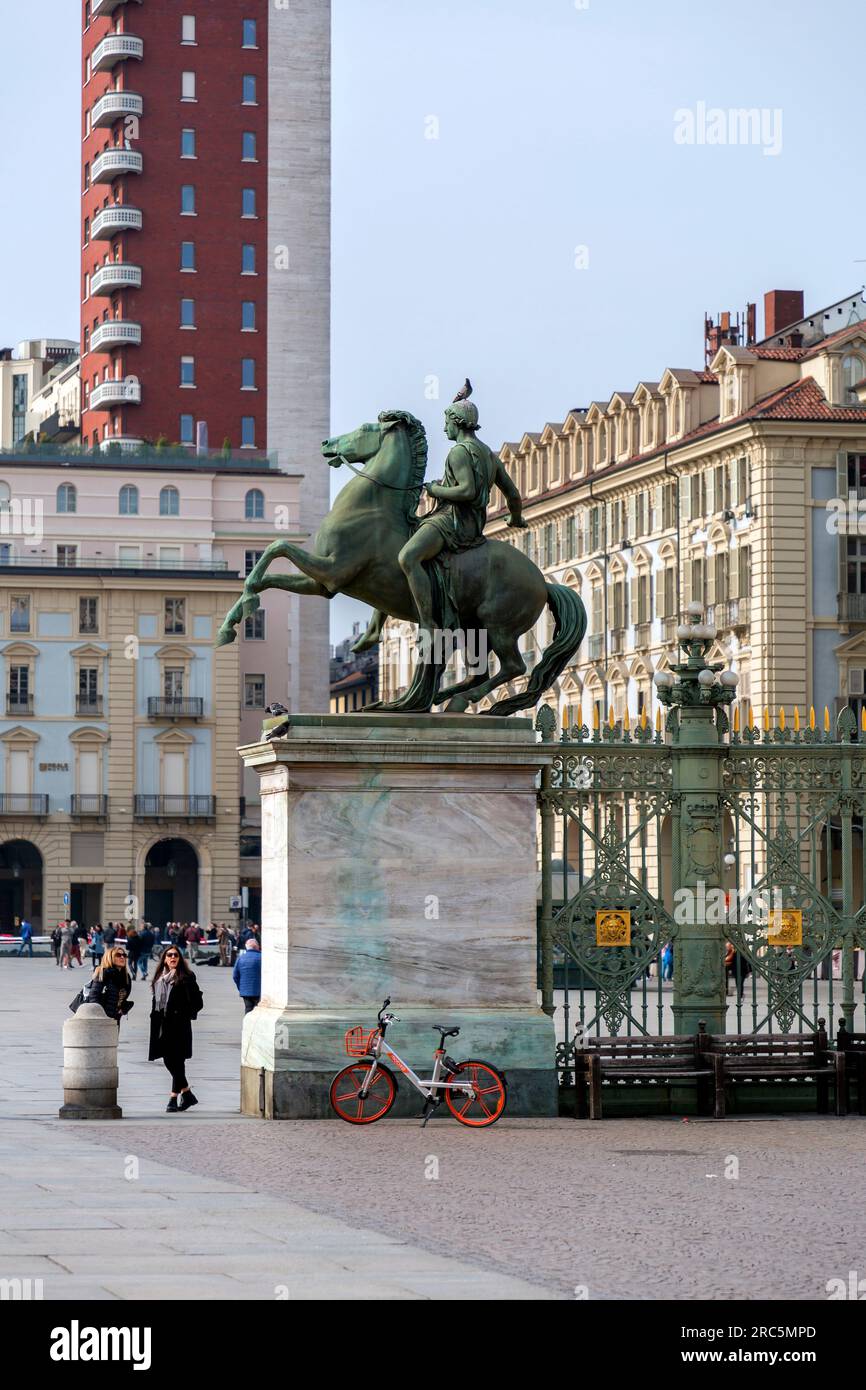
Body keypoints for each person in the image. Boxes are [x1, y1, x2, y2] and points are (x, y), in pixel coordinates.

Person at [395, 394, 526, 636]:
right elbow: (513, 495)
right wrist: (516, 518)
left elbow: (467, 490)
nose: (444, 427)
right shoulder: (488, 454)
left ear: (457, 422)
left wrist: (436, 489)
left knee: (407, 557)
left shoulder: (458, 452)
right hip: (474, 525)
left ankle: (427, 622)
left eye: (447, 422)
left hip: (452, 522)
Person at [149, 945, 204, 1113]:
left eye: (176, 955)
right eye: (169, 955)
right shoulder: (160, 978)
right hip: (163, 1025)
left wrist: (183, 1013)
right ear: (164, 958)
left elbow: (198, 1002)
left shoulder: (187, 976)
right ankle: (187, 1094)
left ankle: (173, 1097)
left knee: (177, 1060)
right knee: (168, 1059)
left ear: (180, 959)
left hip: (179, 1025)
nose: (173, 957)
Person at [90, 944, 133, 1027]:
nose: (122, 957)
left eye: (124, 955)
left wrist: (122, 1009)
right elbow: (93, 996)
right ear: (110, 957)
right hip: (101, 1019)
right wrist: (100, 1015)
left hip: (116, 1018)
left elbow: (123, 997)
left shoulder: (126, 976)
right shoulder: (104, 973)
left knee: (114, 1039)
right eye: (118, 955)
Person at [232, 938, 261, 1013]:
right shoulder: (262, 958)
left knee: (248, 1008)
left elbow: (235, 976)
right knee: (259, 1011)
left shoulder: (241, 958)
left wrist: (240, 987)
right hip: (260, 990)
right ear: (257, 947)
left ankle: (247, 1024)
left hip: (245, 990)